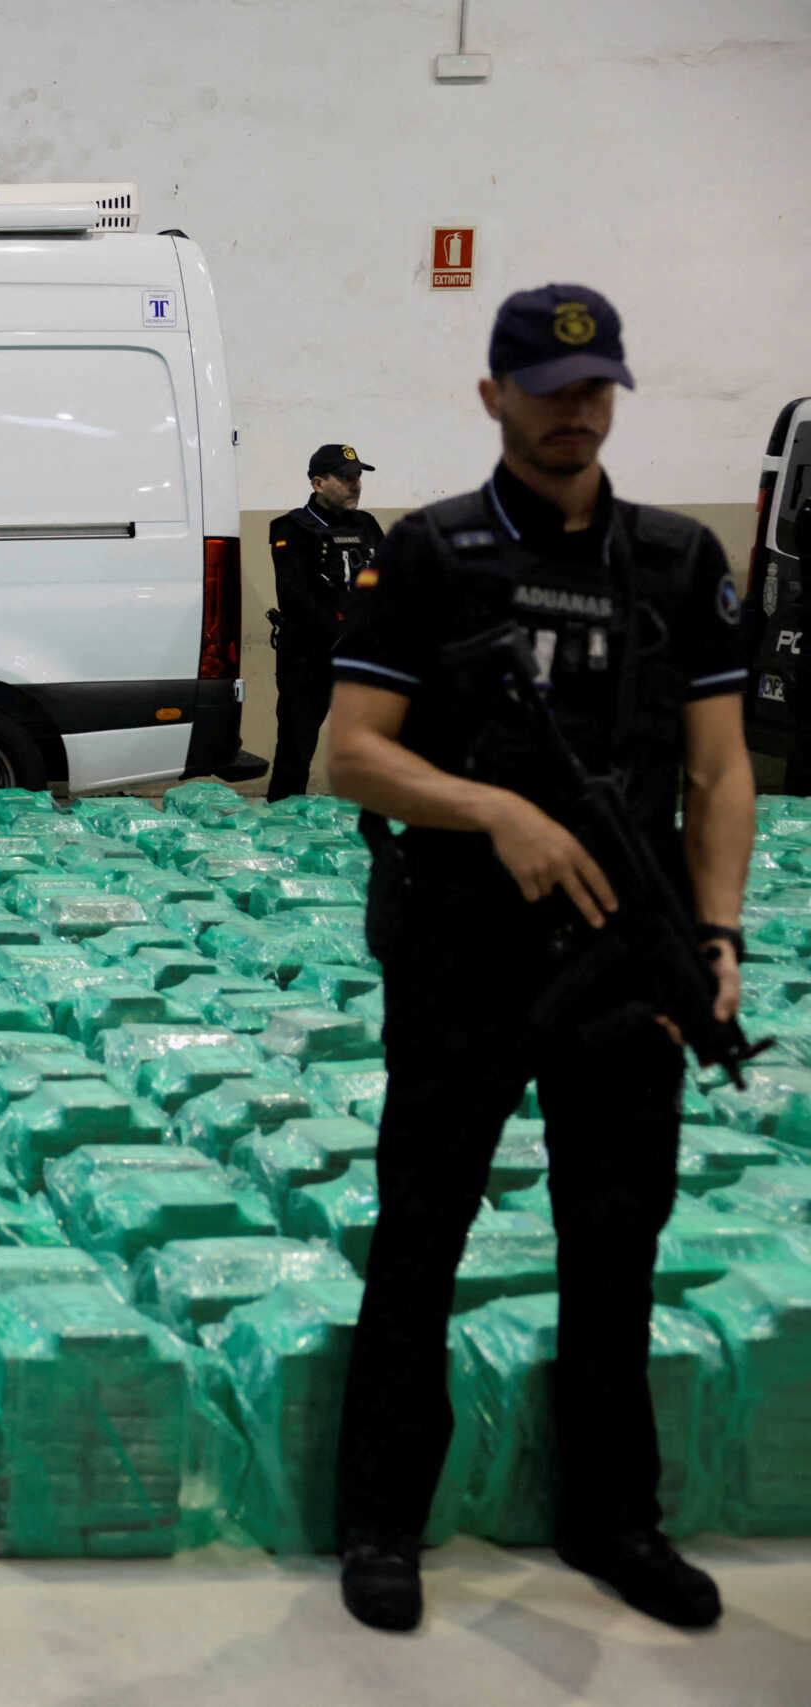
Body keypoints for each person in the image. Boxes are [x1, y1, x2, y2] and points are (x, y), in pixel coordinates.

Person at [326, 285, 751, 1634]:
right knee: (423, 1232)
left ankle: (614, 1518)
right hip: (464, 950)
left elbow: (721, 764)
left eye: (596, 385)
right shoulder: (431, 554)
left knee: (614, 1240)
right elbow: (352, 748)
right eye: (549, 384)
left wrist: (719, 929)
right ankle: (384, 1519)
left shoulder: (680, 562)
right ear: (492, 394)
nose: (575, 408)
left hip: (627, 957)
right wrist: (493, 809)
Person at [265, 444, 384, 799]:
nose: (356, 484)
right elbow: (295, 596)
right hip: (310, 655)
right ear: (318, 483)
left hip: (361, 657)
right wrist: (342, 633)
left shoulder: (367, 525)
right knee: (296, 747)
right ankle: (284, 824)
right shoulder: (292, 528)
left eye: (358, 476)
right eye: (346, 478)